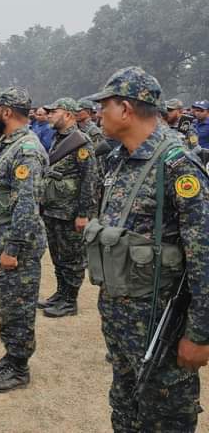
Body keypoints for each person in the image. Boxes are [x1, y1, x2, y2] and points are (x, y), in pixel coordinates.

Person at [84, 67, 209, 431]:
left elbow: (204, 255)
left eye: (104, 106)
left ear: (125, 109)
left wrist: (200, 334)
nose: (98, 114)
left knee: (165, 416)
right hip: (122, 321)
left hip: (161, 327)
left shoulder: (176, 165)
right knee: (125, 408)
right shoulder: (117, 158)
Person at [0, 87, 48, 393]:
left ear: (7, 111)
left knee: (19, 306)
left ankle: (19, 368)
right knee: (8, 305)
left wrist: (13, 247)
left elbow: (27, 204)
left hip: (15, 246)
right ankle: (11, 354)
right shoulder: (6, 143)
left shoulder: (26, 149)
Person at [38, 98, 98, 318]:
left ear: (69, 115)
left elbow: (89, 180)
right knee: (57, 255)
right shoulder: (58, 138)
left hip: (70, 212)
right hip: (53, 208)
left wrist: (84, 214)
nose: (50, 114)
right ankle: (61, 293)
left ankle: (70, 301)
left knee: (72, 257)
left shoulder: (81, 142)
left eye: (55, 111)